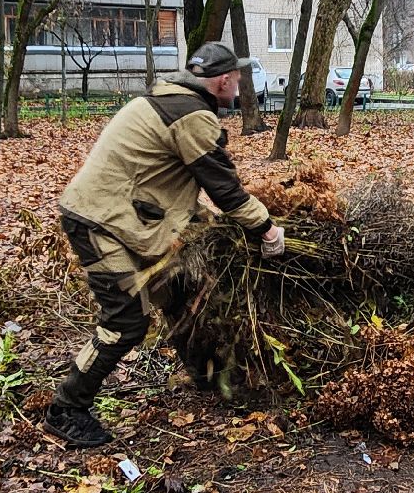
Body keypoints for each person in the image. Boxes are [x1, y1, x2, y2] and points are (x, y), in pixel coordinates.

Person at [45, 42, 286, 446]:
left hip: (122, 215)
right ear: (223, 80)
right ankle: (66, 408)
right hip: (99, 222)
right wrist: (267, 229)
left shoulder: (173, 101)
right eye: (237, 77)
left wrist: (201, 222)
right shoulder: (190, 116)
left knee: (180, 290)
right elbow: (225, 189)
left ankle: (205, 375)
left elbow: (164, 177)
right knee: (125, 321)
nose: (240, 83)